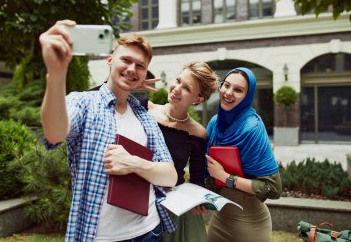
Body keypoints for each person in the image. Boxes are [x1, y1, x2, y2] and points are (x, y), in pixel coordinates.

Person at [39, 19, 178, 242]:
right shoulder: (84, 103)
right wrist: (55, 74)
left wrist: (132, 162)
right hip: (100, 236)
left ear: (145, 73)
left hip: (149, 231)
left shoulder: (145, 117)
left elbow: (170, 176)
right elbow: (54, 133)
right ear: (110, 60)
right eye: (126, 60)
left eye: (140, 66)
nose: (133, 69)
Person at [205, 67, 282, 242]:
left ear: (248, 96)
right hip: (220, 218)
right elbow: (206, 172)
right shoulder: (215, 123)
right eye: (226, 85)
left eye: (238, 90)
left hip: (250, 224)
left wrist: (225, 177)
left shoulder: (252, 128)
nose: (228, 93)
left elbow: (273, 188)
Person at [147, 61, 219, 242]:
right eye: (178, 80)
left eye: (186, 88)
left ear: (198, 99)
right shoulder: (145, 110)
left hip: (171, 208)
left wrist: (200, 200)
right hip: (137, 198)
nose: (177, 88)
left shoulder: (198, 133)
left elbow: (196, 180)